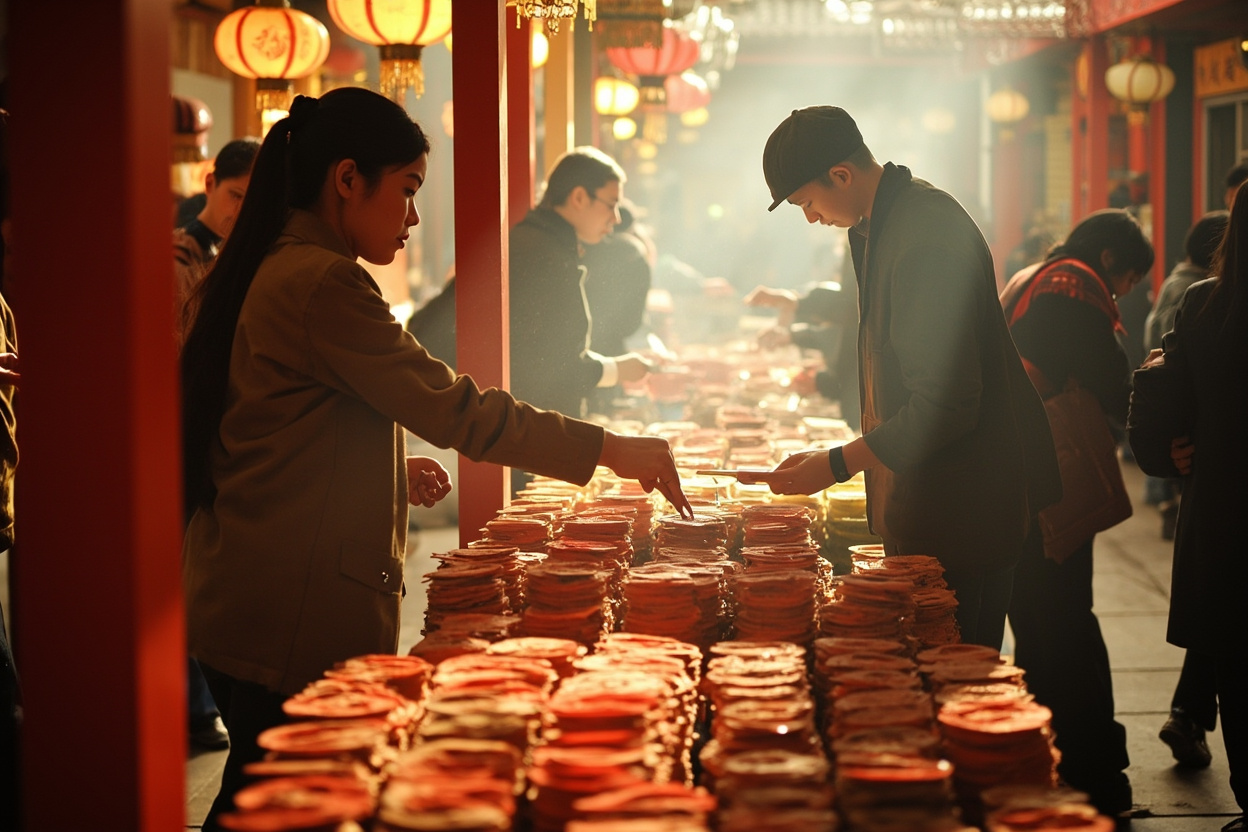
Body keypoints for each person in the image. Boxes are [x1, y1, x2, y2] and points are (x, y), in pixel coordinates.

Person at [179, 89, 692, 831]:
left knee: (269, 791)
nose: (415, 218)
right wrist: (610, 449)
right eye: (409, 190)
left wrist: (383, 468)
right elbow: (459, 411)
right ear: (347, 179)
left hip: (245, 589)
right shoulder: (325, 281)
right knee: (283, 802)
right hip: (286, 606)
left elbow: (270, 424)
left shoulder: (278, 263)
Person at [746, 105, 1061, 654]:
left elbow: (946, 402)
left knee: (952, 678)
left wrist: (838, 462)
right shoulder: (881, 223)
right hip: (926, 498)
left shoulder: (926, 235)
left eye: (807, 203)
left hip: (962, 508)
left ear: (840, 175)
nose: (811, 218)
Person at [1000, 209, 1154, 818]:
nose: (1122, 295)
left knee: (1039, 623)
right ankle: (1094, 775)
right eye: (1129, 282)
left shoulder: (1032, 275)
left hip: (1013, 477)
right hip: (1050, 481)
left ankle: (1049, 758)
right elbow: (1110, 380)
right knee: (1066, 625)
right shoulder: (1076, 286)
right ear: (1111, 259)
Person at [1128, 183, 1248, 832]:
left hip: (1224, 513)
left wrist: (1162, 452)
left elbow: (1155, 387)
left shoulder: (1204, 304)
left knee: (1236, 658)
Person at [508, 147, 652, 421]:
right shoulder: (543, 253)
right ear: (578, 197)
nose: (617, 218)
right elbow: (557, 365)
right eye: (611, 204)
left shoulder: (544, 243)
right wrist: (617, 370)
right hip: (534, 427)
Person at [745, 279, 860, 432]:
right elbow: (840, 331)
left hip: (860, 403)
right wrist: (792, 336)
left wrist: (799, 303)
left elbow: (853, 311)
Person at [173, 137, 261, 318]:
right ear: (210, 184)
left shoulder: (250, 253)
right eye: (236, 196)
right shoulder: (180, 256)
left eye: (253, 202)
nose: (241, 211)